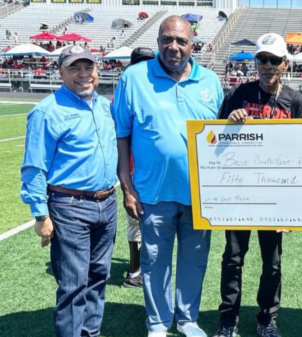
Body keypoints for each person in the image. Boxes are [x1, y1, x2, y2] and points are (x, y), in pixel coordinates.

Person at [113, 16, 223, 337]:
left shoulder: (211, 82)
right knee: (154, 261)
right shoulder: (134, 77)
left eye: (181, 41)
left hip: (200, 196)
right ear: (159, 40)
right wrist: (126, 184)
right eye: (167, 39)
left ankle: (188, 319)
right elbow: (121, 134)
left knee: (194, 261)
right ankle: (158, 323)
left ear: (193, 46)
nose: (173, 47)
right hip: (152, 191)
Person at [213, 33, 302, 337]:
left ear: (286, 63)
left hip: (276, 198)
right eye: (262, 59)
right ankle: (228, 320)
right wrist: (230, 121)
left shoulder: (295, 101)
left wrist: (294, 206)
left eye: (274, 60)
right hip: (240, 193)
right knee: (232, 259)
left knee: (272, 263)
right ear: (255, 61)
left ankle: (267, 320)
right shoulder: (237, 94)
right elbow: (213, 141)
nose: (267, 65)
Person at [20, 45, 118, 337]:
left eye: (88, 67)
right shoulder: (46, 111)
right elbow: (34, 167)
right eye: (75, 68)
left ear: (97, 71)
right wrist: (40, 213)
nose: (83, 74)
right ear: (60, 72)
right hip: (69, 206)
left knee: (98, 278)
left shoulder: (104, 106)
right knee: (74, 285)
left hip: (107, 203)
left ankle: (90, 333)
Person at [117, 47, 156, 289]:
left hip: (150, 169)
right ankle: (135, 272)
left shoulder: (147, 89)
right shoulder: (127, 89)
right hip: (134, 169)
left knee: (146, 223)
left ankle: (142, 268)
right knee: (136, 221)